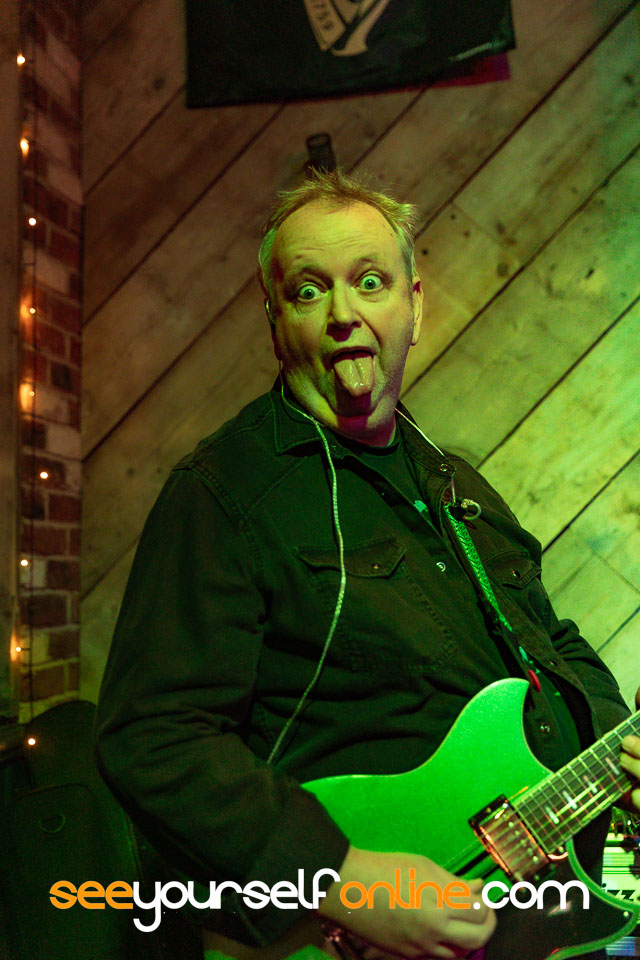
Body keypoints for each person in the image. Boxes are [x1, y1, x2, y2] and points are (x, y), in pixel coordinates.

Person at [94, 169, 640, 960]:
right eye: (309, 290)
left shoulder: (459, 484)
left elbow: (547, 639)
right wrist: (339, 877)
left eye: (370, 282)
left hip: (536, 909)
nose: (344, 313)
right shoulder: (224, 492)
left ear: (415, 307)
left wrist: (620, 745)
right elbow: (151, 737)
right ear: (276, 320)